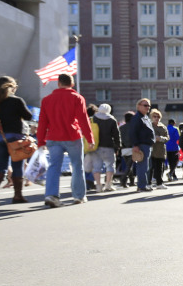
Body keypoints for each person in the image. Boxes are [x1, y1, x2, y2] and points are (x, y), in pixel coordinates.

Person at [37, 73, 93, 207]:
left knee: (54, 167)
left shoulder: (46, 100)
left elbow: (42, 122)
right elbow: (83, 119)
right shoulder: (77, 98)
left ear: (58, 83)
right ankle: (78, 196)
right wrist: (89, 138)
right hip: (72, 136)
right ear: (72, 84)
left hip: (53, 137)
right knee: (77, 166)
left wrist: (40, 141)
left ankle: (51, 195)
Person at [125, 99, 155, 192]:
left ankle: (144, 184)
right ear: (138, 106)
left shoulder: (145, 117)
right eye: (145, 105)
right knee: (142, 166)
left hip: (147, 145)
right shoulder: (137, 117)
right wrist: (135, 145)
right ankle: (141, 186)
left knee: (146, 166)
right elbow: (133, 132)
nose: (148, 107)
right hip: (141, 145)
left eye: (149, 106)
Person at [90, 103, 121, 192]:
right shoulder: (112, 120)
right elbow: (116, 135)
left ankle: (98, 185)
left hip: (96, 146)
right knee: (110, 166)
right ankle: (108, 184)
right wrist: (117, 147)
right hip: (109, 146)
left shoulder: (93, 119)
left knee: (96, 167)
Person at [148, 108, 169, 189]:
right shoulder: (149, 126)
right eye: (154, 116)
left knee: (159, 168)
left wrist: (160, 138)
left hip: (160, 150)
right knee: (150, 168)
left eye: (158, 117)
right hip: (151, 150)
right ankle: (148, 184)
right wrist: (153, 138)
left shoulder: (163, 127)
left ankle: (159, 183)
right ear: (151, 117)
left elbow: (167, 138)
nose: (156, 118)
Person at [118, 111, 136, 189]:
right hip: (132, 148)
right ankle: (123, 180)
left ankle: (132, 181)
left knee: (129, 165)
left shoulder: (121, 128)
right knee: (129, 165)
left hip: (124, 149)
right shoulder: (134, 127)